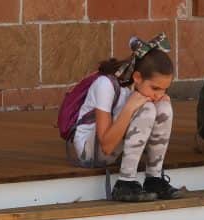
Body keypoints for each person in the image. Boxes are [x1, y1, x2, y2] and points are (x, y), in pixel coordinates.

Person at [71, 34, 182, 202]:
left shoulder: (142, 89)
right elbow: (106, 145)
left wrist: (158, 101)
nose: (159, 94)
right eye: (155, 88)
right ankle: (125, 183)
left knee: (164, 107)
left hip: (116, 146)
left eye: (164, 90)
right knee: (147, 109)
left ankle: (154, 179)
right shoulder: (105, 85)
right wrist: (129, 107)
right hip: (91, 152)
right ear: (137, 78)